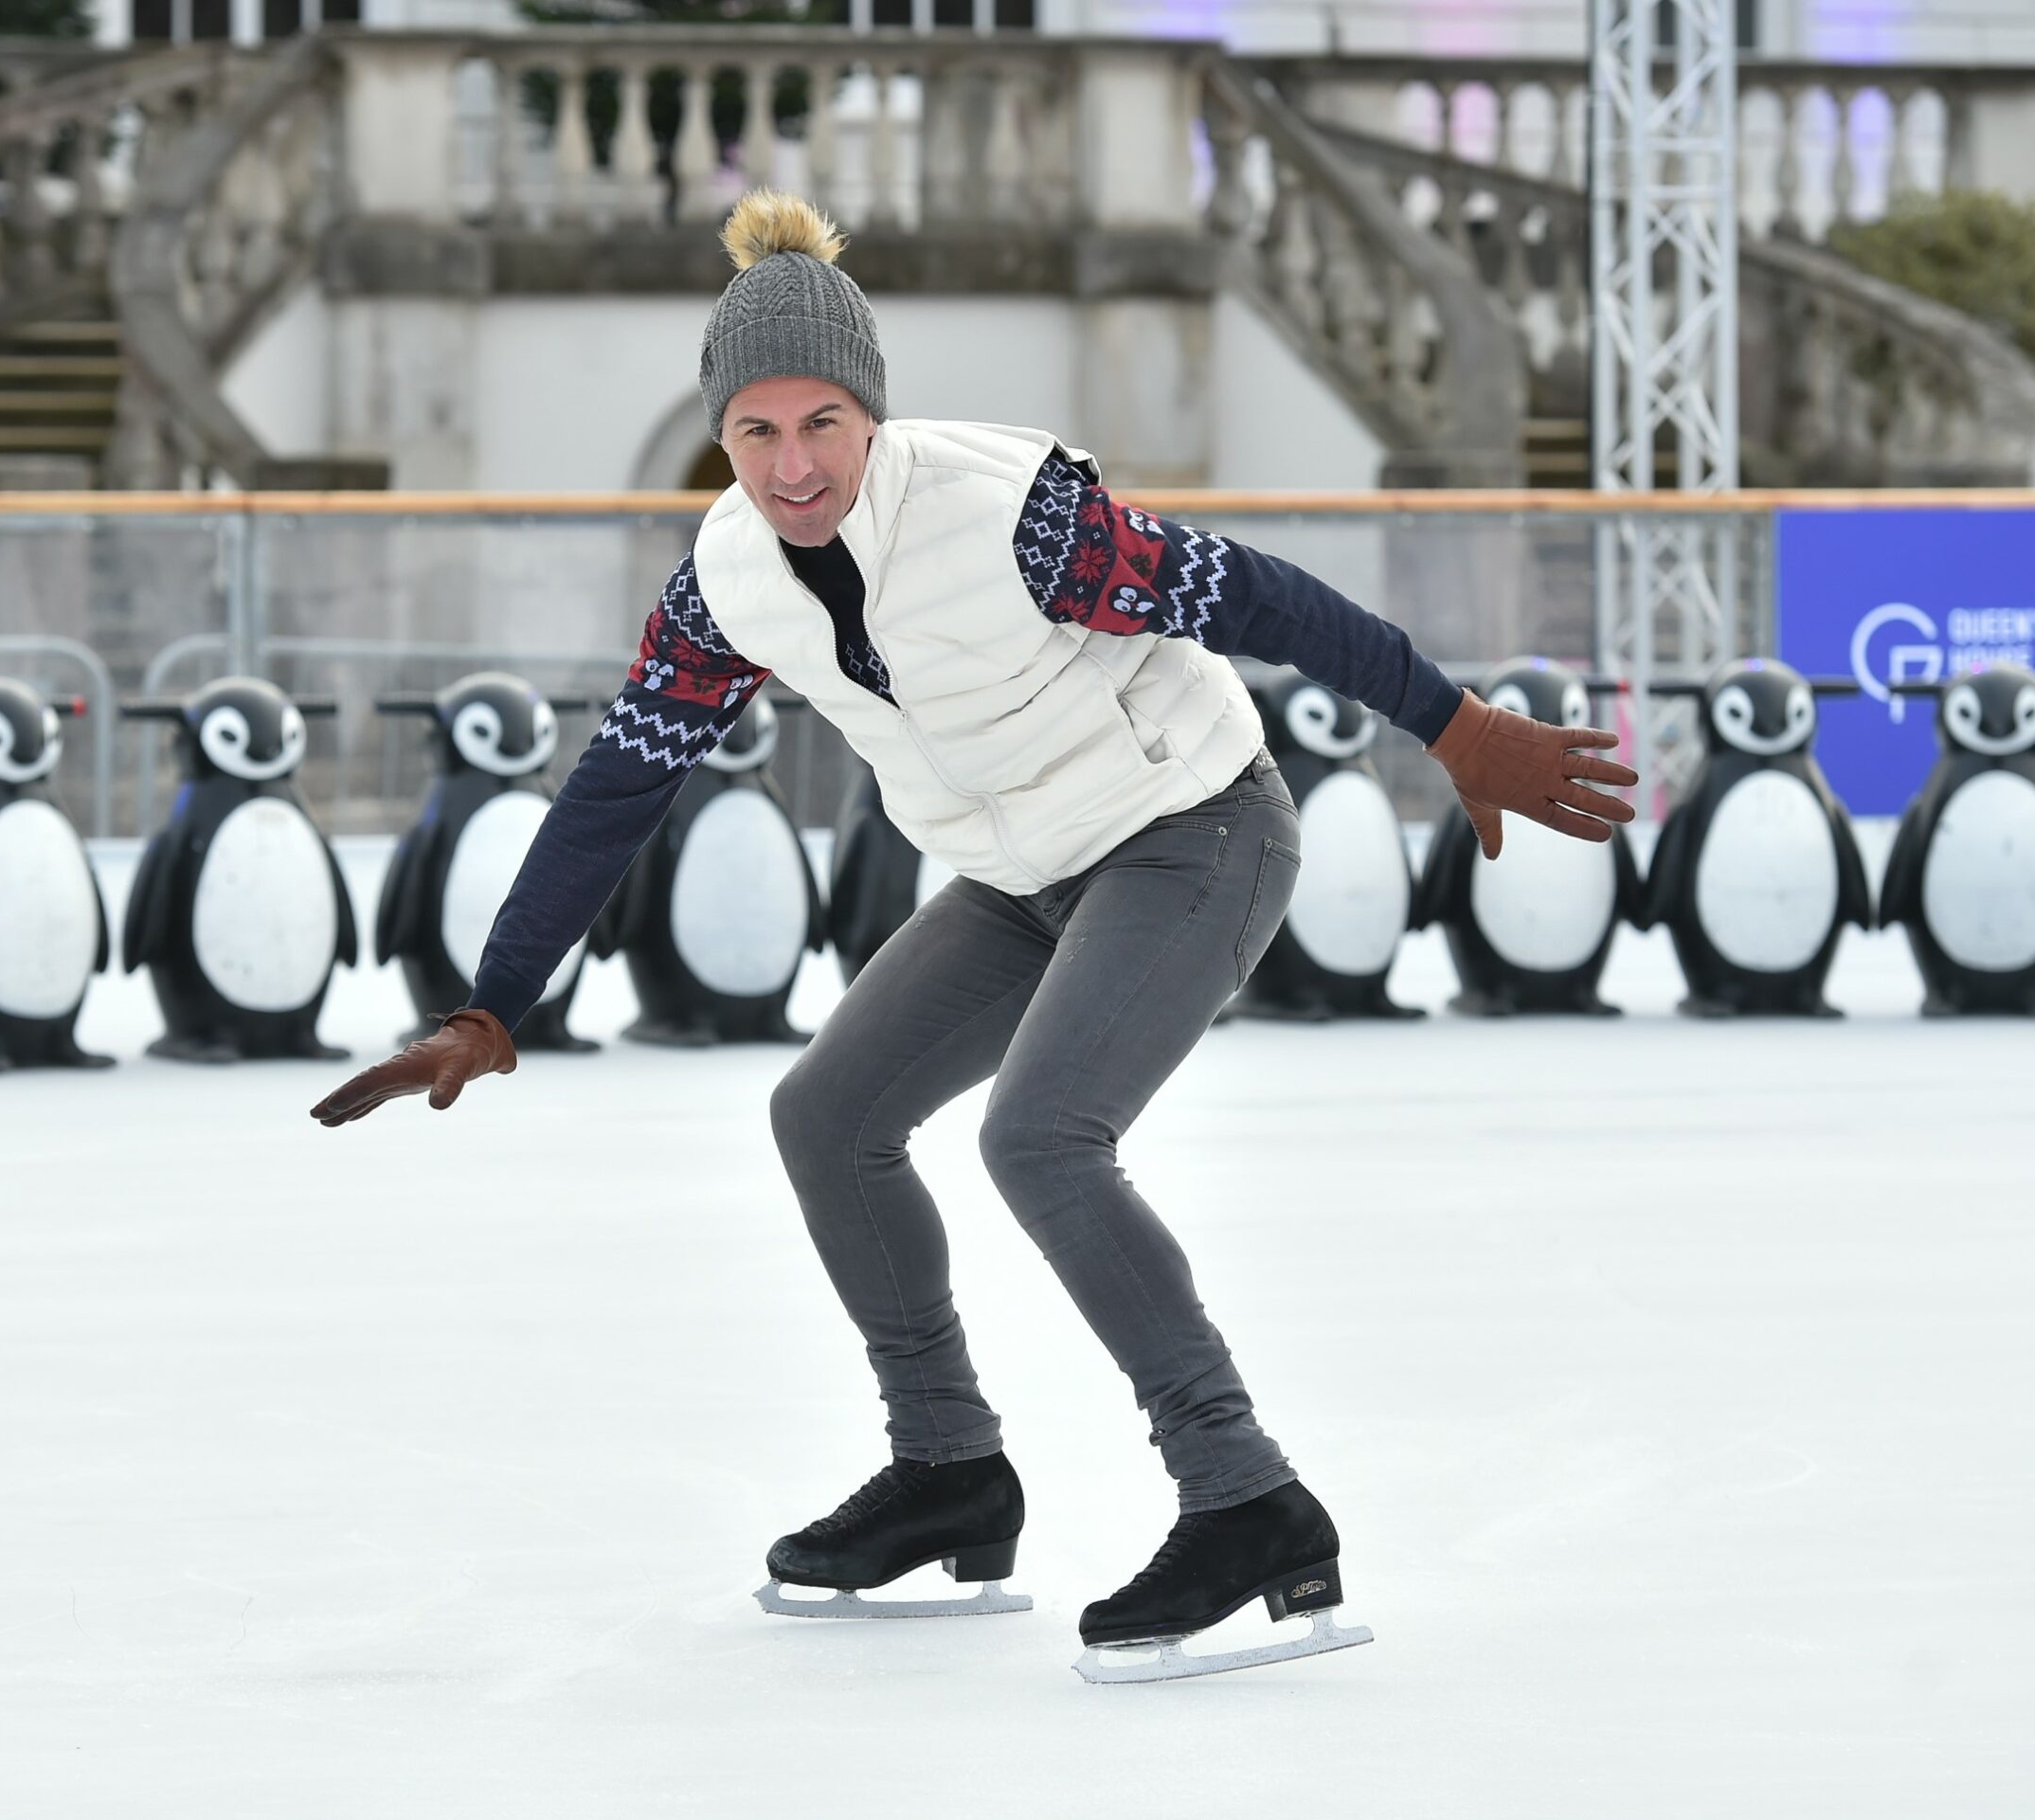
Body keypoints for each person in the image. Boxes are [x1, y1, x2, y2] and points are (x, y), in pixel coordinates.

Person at [312, 190, 1636, 1680]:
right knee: (827, 1114)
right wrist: (498, 998)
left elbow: (1252, 592)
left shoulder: (1021, 517)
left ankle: (1247, 1494)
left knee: (1042, 1138)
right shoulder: (724, 582)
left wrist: (1451, 727)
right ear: (720, 435)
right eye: (756, 433)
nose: (794, 465)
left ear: (871, 412)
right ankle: (950, 1467)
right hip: (1023, 869)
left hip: (1190, 825)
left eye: (823, 422)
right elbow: (622, 778)